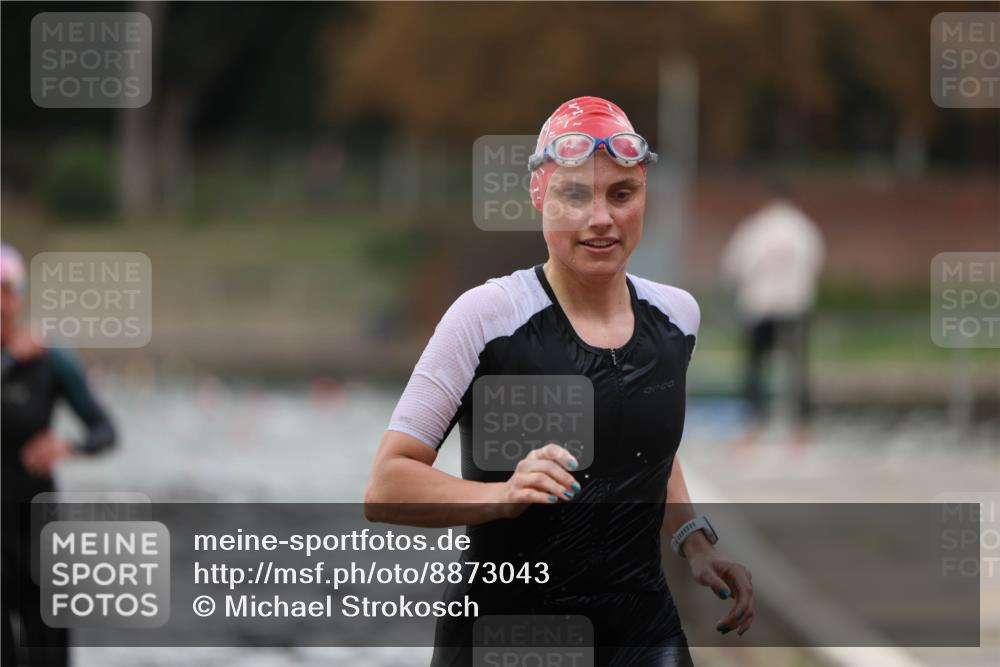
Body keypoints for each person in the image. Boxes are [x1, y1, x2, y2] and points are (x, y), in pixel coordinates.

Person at [365, 97, 754, 666]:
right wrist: (501, 496)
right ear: (539, 195)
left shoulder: (677, 318)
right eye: (575, 195)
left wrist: (693, 542)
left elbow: (649, 445)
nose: (601, 218)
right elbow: (386, 484)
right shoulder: (487, 317)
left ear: (644, 197)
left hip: (641, 629)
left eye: (621, 194)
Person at [1, 243, 118, 667]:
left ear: (20, 297)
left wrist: (68, 446)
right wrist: (10, 360)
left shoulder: (51, 361)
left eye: (8, 291)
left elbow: (105, 431)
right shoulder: (19, 356)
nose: (1, 304)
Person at [720, 183, 825, 447]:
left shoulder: (754, 227)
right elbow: (816, 263)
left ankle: (752, 426)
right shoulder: (804, 228)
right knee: (796, 369)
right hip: (795, 305)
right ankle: (800, 429)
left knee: (756, 368)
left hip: (759, 306)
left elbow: (733, 265)